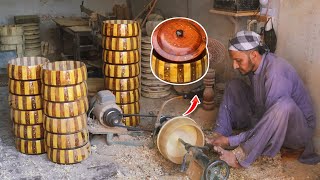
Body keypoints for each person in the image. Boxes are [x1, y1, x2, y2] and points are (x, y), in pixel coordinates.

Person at [208, 30, 320, 168]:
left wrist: (232, 141)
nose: (234, 66)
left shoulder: (275, 74)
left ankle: (240, 156)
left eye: (238, 60)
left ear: (254, 55)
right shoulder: (256, 65)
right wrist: (223, 137)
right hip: (266, 114)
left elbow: (269, 122)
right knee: (234, 85)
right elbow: (262, 111)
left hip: (296, 132)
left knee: (283, 105)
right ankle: (219, 134)